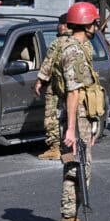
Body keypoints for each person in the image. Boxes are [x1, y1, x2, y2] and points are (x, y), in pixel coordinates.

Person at [53, 2, 102, 221]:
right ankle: (68, 220)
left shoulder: (81, 48)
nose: (97, 27)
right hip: (75, 117)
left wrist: (92, 121)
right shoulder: (72, 51)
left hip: (84, 116)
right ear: (86, 23)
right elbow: (73, 92)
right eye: (95, 22)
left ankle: (71, 218)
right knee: (75, 170)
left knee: (83, 170)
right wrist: (72, 129)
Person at [35, 13, 71, 160]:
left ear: (64, 25)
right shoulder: (81, 41)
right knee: (71, 115)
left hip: (56, 85)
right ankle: (70, 146)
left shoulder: (58, 42)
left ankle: (54, 148)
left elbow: (48, 64)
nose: (58, 26)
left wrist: (40, 82)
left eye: (60, 24)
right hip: (74, 86)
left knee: (52, 116)